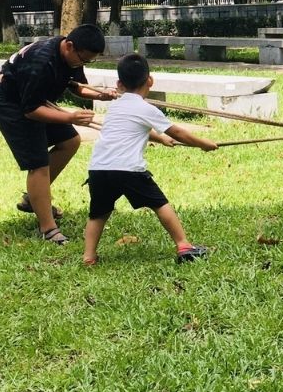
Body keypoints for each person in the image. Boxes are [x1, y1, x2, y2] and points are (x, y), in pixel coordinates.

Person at [82, 53, 218, 266]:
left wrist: (160, 139)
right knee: (160, 204)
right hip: (129, 170)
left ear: (119, 84)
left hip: (99, 169)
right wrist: (203, 144)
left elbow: (134, 128)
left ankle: (89, 256)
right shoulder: (146, 108)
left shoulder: (115, 106)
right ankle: (183, 245)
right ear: (150, 81)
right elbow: (178, 133)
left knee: (98, 214)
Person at [0, 25, 117, 245]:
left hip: (38, 101)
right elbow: (31, 110)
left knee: (70, 141)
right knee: (38, 163)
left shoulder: (71, 53)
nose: (82, 64)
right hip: (12, 104)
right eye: (83, 60)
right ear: (69, 46)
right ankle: (48, 228)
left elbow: (77, 86)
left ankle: (34, 199)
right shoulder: (40, 62)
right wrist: (70, 118)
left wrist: (101, 95)